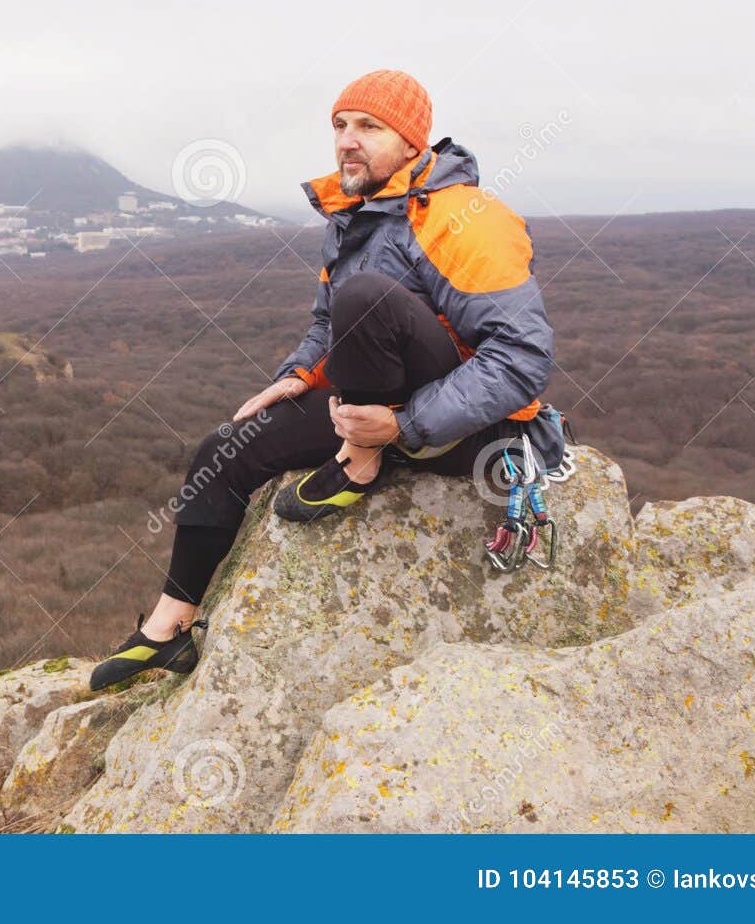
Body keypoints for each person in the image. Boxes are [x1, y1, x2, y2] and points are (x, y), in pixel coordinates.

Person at [90, 69, 556, 691]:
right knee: (224, 447)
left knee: (366, 295)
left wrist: (404, 425)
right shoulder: (354, 216)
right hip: (380, 400)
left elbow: (521, 357)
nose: (347, 141)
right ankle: (170, 628)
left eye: (368, 126)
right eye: (339, 126)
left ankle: (362, 460)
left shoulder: (464, 218)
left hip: (467, 428)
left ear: (414, 142)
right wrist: (295, 377)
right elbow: (324, 324)